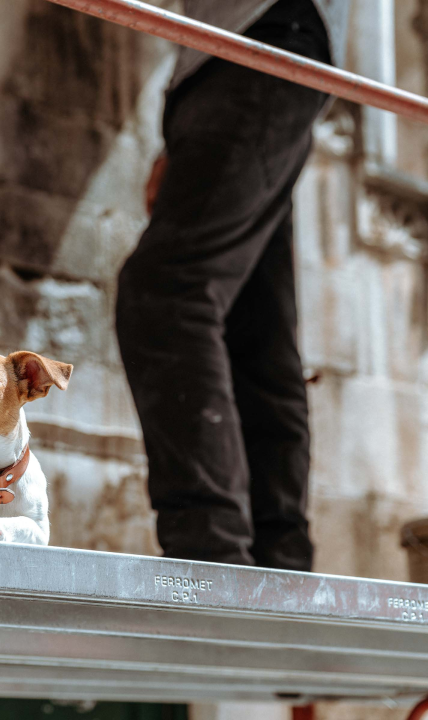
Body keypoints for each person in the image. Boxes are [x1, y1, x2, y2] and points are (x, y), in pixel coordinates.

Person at [116, 0, 349, 570]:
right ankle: (279, 565)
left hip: (260, 39)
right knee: (254, 323)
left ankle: (211, 552)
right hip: (245, 52)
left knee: (167, 292)